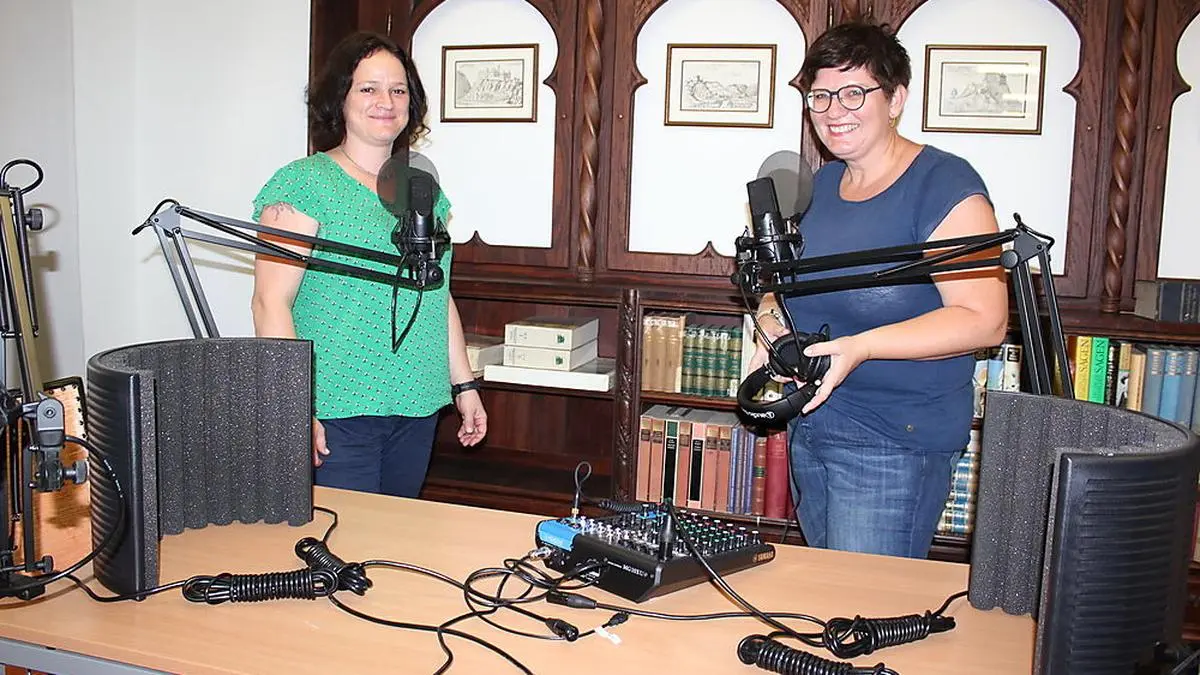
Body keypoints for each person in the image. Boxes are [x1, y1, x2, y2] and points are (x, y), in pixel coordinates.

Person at [750, 20, 1008, 558]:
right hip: (813, 424)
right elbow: (781, 286)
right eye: (820, 96)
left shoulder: (944, 184)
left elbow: (984, 320)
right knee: (826, 592)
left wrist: (862, 347)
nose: (833, 110)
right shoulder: (820, 185)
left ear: (896, 99)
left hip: (894, 441)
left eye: (853, 92)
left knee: (863, 599)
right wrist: (769, 324)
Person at [251, 31, 487, 497]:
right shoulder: (303, 184)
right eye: (368, 88)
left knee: (395, 533)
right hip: (337, 406)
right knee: (343, 536)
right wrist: (294, 407)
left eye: (398, 90)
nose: (386, 101)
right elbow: (268, 303)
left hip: (417, 402)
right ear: (340, 97)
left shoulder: (423, 190)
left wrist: (464, 385)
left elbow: (436, 295)